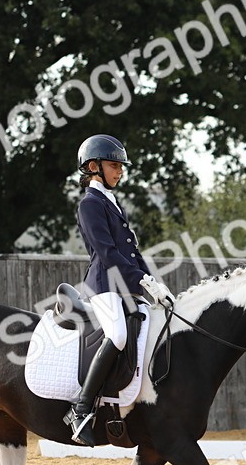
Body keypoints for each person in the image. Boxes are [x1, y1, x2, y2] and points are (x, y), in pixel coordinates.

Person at [64, 134, 172, 445]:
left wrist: (154, 282)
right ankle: (81, 408)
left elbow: (133, 253)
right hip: (103, 285)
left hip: (127, 284)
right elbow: (108, 253)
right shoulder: (90, 204)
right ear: (92, 167)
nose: (120, 171)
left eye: (121, 167)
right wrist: (141, 280)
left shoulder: (112, 202)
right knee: (119, 335)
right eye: (114, 166)